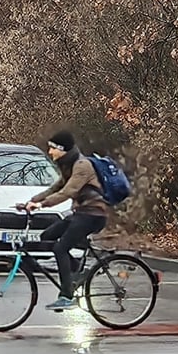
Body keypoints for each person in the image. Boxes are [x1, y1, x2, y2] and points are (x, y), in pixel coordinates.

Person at [25, 130, 109, 311]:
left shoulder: (81, 166)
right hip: (81, 213)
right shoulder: (68, 164)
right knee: (48, 235)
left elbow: (68, 192)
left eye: (52, 149)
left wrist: (42, 205)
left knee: (60, 247)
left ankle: (66, 295)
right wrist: (32, 201)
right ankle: (79, 271)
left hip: (93, 215)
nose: (50, 152)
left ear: (62, 149)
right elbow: (55, 188)